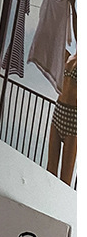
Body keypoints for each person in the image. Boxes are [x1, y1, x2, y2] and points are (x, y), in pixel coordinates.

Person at [46, 51, 76, 185]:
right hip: (59, 110)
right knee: (50, 169)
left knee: (65, 179)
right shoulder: (69, 56)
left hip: (74, 118)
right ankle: (45, 196)